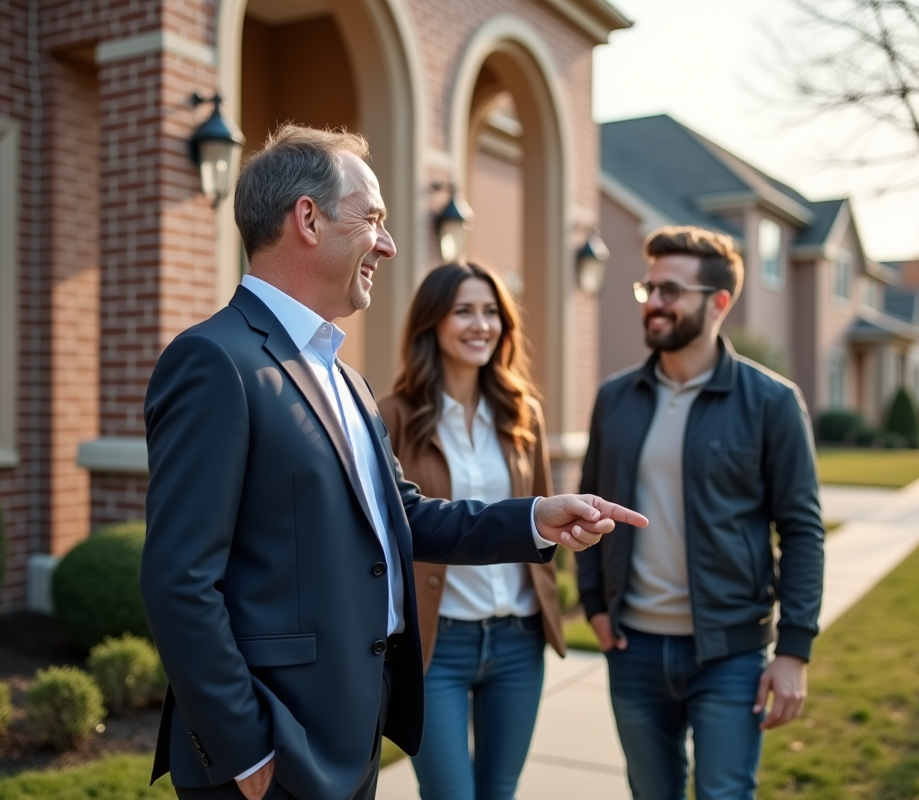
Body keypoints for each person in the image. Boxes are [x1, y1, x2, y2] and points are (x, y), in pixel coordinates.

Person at [139, 123, 647, 800]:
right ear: (308, 219)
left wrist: (534, 518)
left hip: (349, 732)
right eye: (372, 219)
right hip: (273, 747)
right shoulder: (214, 361)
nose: (389, 243)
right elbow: (179, 582)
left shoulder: (345, 380)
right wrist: (243, 746)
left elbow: (403, 518)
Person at [576, 225, 825, 800]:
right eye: (650, 288)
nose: (655, 302)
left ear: (719, 302)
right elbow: (588, 506)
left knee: (724, 794)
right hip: (632, 648)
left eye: (671, 290)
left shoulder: (772, 403)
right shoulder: (615, 398)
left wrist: (792, 651)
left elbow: (803, 531)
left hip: (730, 654)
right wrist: (594, 603)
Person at [379, 262, 566, 800]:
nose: (480, 324)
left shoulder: (523, 414)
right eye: (464, 310)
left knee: (499, 790)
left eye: (491, 312)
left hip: (517, 640)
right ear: (431, 322)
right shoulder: (391, 417)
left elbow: (543, 520)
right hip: (438, 645)